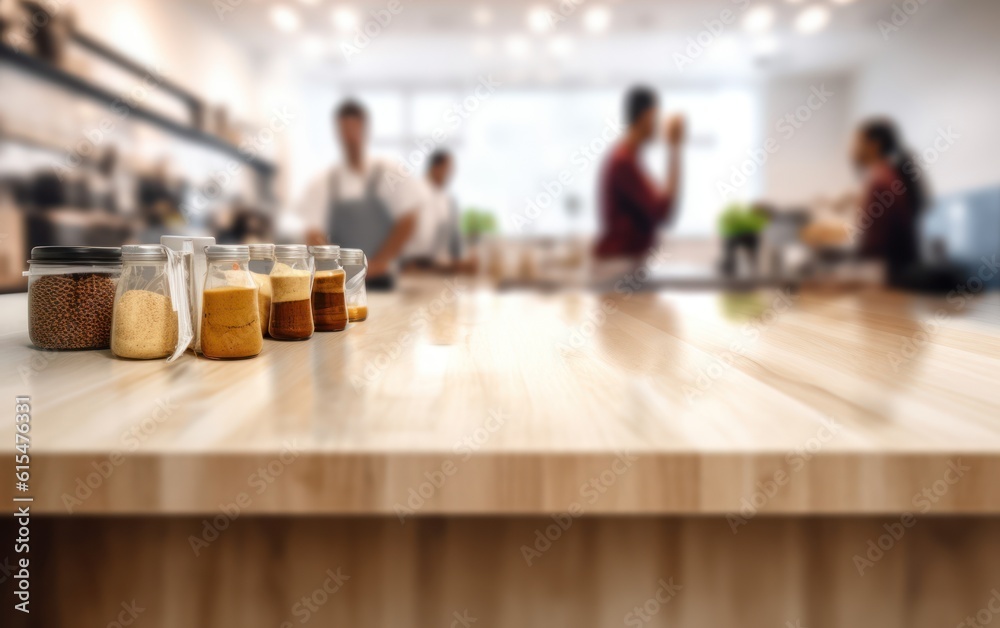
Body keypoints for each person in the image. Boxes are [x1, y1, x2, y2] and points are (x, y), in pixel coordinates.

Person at [298, 99, 420, 288]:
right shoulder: (324, 182)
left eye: (355, 129)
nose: (350, 136)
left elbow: (409, 219)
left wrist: (378, 263)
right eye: (345, 130)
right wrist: (335, 268)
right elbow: (314, 234)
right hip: (342, 283)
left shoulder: (388, 173)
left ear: (365, 129)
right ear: (338, 133)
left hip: (383, 279)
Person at [593, 86, 685, 277]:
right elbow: (663, 212)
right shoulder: (624, 162)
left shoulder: (629, 159)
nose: (658, 126)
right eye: (655, 118)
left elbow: (662, 207)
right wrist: (674, 148)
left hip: (625, 264)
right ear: (646, 117)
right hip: (619, 265)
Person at [850, 118, 927, 285]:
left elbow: (873, 248)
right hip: (896, 274)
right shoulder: (889, 176)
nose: (852, 149)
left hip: (888, 280)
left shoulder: (880, 181)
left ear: (874, 145)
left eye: (857, 142)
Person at [405, 150, 468, 272]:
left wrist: (459, 260)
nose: (449, 175)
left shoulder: (448, 201)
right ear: (435, 168)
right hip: (414, 265)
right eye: (447, 170)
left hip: (441, 267)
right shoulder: (413, 191)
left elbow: (453, 238)